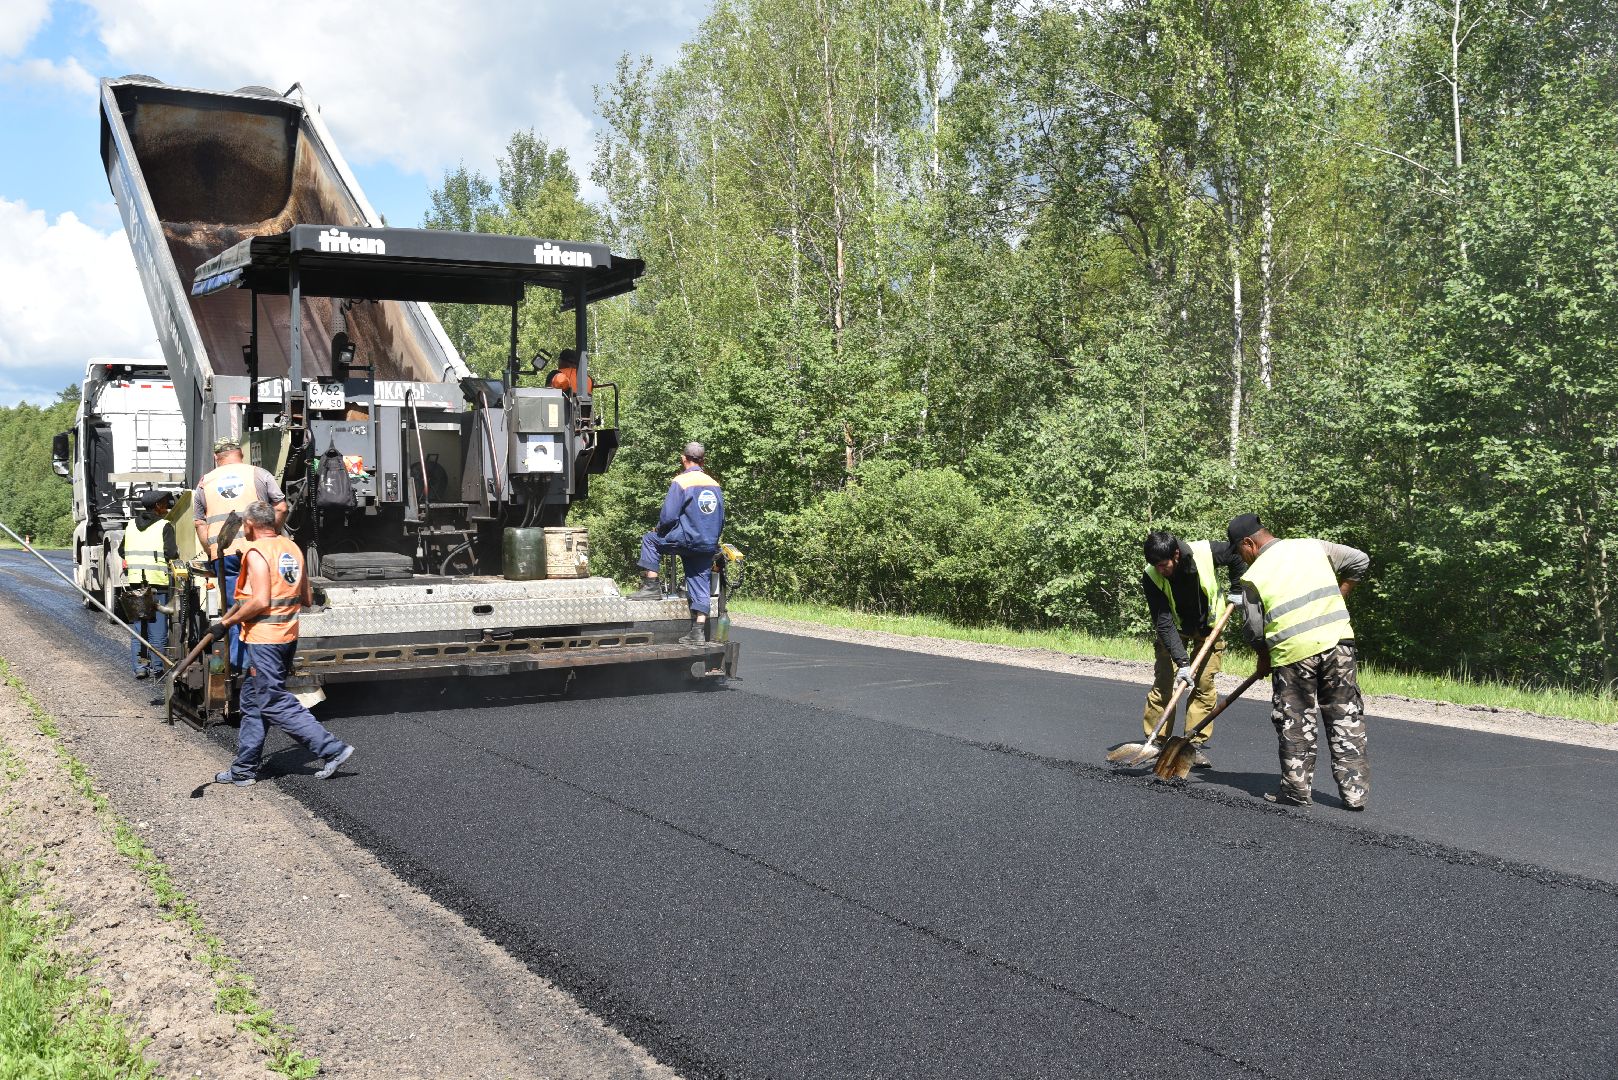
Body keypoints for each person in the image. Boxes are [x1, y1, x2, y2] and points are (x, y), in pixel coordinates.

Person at [1227, 513, 1370, 811]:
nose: (1242, 558)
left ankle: (1296, 791)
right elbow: (1360, 560)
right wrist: (1341, 594)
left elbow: (1255, 629)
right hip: (1338, 643)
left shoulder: (1254, 576)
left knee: (1296, 721)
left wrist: (1263, 659)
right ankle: (1355, 793)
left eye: (1239, 552)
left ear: (1248, 543)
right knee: (1345, 716)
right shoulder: (1312, 546)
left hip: (1293, 654)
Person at [211, 501, 354, 787]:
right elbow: (306, 598)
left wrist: (225, 623)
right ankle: (244, 769)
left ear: (250, 525)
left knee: (273, 700)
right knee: (254, 701)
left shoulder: (256, 552)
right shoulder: (291, 548)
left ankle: (332, 749)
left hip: (265, 639)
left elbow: (261, 600)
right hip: (287, 635)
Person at [1138, 530, 1248, 767]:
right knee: (1164, 683)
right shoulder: (1151, 576)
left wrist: (1238, 589)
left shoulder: (1206, 552)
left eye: (1163, 564)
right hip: (1175, 629)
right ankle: (1156, 741)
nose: (1160, 569)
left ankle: (1191, 743)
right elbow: (1163, 621)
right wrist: (1183, 663)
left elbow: (1238, 556)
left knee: (1204, 685)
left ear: (1176, 554)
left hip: (1210, 627)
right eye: (1154, 565)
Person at [192, 437, 287, 669]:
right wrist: (271, 535)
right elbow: (282, 507)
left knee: (234, 608)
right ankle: (269, 661)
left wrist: (212, 550)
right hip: (259, 551)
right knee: (266, 603)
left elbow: (199, 524)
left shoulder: (205, 482)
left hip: (225, 557)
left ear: (217, 458)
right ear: (240, 454)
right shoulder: (260, 474)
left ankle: (238, 664)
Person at [628, 441, 725, 645]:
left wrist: (659, 530)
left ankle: (652, 587)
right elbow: (721, 518)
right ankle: (698, 632)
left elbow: (669, 516)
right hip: (708, 543)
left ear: (684, 459)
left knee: (650, 540)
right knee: (700, 580)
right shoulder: (714, 484)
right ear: (703, 460)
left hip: (686, 540)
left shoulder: (681, 482)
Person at [122, 489, 179, 679]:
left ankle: (139, 667)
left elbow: (123, 551)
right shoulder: (164, 526)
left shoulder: (130, 526)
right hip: (157, 584)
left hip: (136, 585)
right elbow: (171, 554)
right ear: (157, 506)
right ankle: (157, 668)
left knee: (139, 627)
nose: (167, 507)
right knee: (157, 629)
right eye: (164, 503)